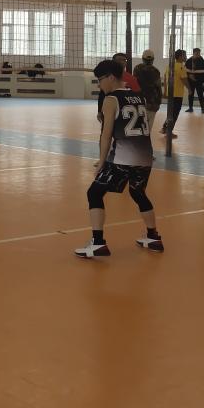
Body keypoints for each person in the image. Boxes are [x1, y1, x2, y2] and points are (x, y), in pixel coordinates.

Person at [75, 59, 162, 259]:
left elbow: (106, 135)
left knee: (94, 193)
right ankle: (153, 237)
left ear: (111, 77)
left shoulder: (111, 100)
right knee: (138, 192)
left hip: (123, 158)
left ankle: (98, 243)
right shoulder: (138, 96)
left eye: (100, 80)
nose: (99, 85)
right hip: (145, 157)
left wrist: (101, 161)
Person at [133, 50, 162, 132]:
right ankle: (146, 139)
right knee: (148, 127)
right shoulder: (155, 71)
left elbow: (134, 84)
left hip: (139, 101)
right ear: (153, 59)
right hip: (152, 103)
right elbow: (158, 87)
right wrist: (159, 102)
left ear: (142, 58)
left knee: (139, 125)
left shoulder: (137, 68)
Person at [161, 49, 187, 138]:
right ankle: (169, 132)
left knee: (171, 113)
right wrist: (190, 89)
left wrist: (165, 91)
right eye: (184, 55)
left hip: (170, 93)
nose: (186, 57)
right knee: (174, 114)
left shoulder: (170, 66)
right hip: (177, 94)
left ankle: (165, 128)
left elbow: (165, 78)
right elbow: (184, 79)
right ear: (180, 57)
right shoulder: (181, 67)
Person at [185, 48, 204, 112]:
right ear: (193, 53)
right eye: (197, 53)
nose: (198, 54)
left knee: (200, 94)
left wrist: (203, 80)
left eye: (199, 53)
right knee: (190, 94)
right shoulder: (189, 61)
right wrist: (189, 75)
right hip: (190, 80)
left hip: (199, 81)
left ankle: (203, 108)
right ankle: (190, 108)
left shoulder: (202, 61)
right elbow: (185, 69)